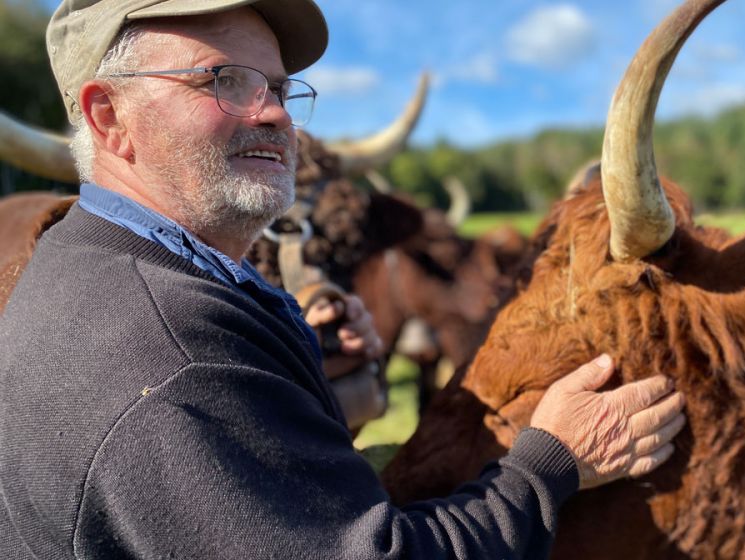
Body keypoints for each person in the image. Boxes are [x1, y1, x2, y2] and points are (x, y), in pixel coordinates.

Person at [0, 1, 687, 558]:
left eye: (275, 87)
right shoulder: (173, 362)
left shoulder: (86, 263)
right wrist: (551, 462)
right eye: (223, 80)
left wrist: (301, 384)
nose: (274, 113)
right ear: (109, 118)